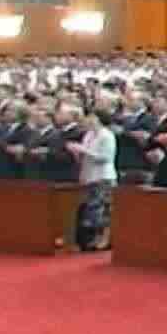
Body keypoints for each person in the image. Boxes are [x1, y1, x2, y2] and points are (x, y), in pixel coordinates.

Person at [70, 105, 115, 250]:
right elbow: (85, 157)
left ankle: (105, 238)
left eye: (91, 117)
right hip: (88, 175)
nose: (88, 120)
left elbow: (106, 157)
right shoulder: (88, 135)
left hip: (103, 176)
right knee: (90, 210)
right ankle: (92, 238)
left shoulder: (107, 135)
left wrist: (83, 150)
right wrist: (77, 153)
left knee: (102, 208)